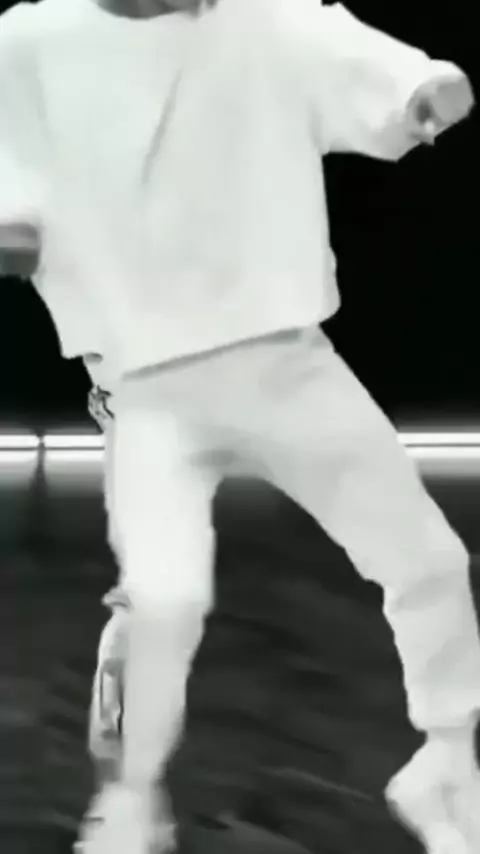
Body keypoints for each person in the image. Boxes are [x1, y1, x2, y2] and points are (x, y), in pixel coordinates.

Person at [0, 0, 479, 852]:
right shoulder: (30, 41)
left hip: (287, 360)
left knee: (429, 561)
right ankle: (130, 795)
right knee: (162, 600)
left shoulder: (266, 20)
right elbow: (12, 175)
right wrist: (20, 223)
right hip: (146, 383)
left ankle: (446, 763)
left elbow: (382, 74)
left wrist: (425, 90)